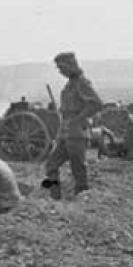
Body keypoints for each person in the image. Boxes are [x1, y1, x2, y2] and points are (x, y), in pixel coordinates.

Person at [43, 52, 103, 199]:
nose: (60, 71)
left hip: (76, 133)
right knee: (51, 165)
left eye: (61, 68)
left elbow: (96, 103)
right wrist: (59, 134)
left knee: (78, 168)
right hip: (66, 132)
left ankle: (82, 200)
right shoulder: (70, 84)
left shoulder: (81, 83)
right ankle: (55, 198)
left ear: (69, 65)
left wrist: (78, 119)